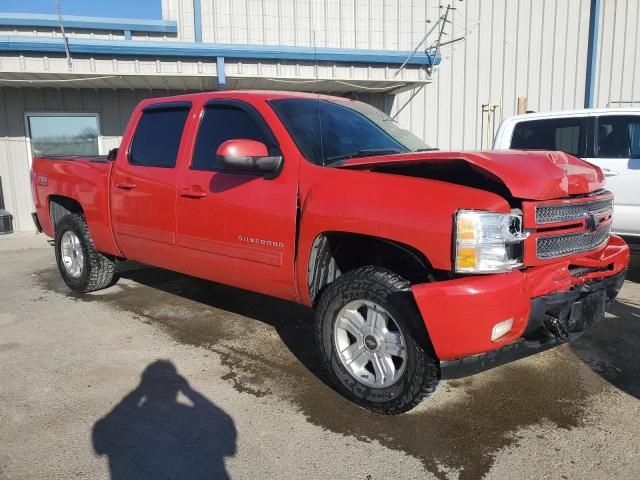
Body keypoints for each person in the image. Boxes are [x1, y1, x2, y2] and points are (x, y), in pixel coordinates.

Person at [93, 360, 236, 479]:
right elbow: (225, 428)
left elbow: (101, 438)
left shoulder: (131, 419)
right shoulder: (190, 415)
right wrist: (189, 392)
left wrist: (140, 390)